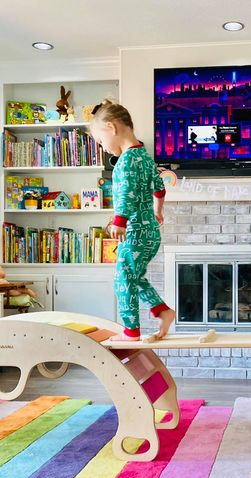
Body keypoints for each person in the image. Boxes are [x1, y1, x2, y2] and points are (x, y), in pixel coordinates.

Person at [90, 99, 175, 341]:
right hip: (150, 232)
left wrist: (120, 220)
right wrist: (158, 212)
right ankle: (162, 310)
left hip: (135, 231)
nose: (104, 148)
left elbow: (126, 192)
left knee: (122, 278)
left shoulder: (126, 160)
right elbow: (160, 189)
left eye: (101, 141)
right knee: (134, 276)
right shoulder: (145, 157)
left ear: (112, 127)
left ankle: (131, 331)